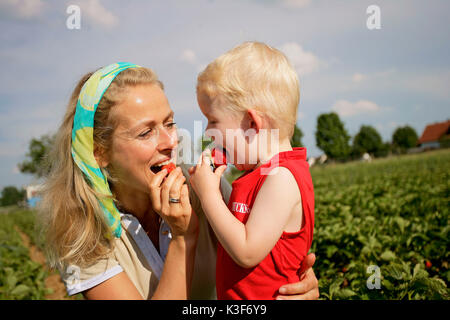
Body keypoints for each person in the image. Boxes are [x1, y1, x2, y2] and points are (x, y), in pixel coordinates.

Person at [38, 61, 319, 300]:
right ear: (100, 153)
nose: (171, 141)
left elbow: (259, 256)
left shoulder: (203, 187)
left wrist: (298, 285)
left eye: (170, 123)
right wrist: (183, 239)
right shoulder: (82, 232)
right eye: (146, 132)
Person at [189, 42, 314, 299]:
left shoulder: (281, 177)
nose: (207, 132)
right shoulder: (257, 175)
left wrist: (209, 196)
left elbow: (246, 252)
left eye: (213, 120)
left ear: (251, 123)